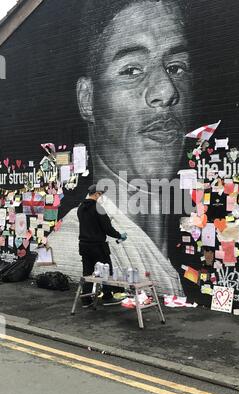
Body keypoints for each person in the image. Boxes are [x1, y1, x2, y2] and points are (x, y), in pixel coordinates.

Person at [36, 0, 193, 298]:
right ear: (87, 99)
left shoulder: (177, 249)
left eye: (176, 67)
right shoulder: (67, 249)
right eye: (132, 70)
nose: (166, 91)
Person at [77, 184, 128, 307]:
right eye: (100, 194)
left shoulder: (80, 208)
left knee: (87, 273)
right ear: (96, 194)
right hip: (98, 246)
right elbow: (107, 228)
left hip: (84, 245)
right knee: (106, 271)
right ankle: (107, 296)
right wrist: (119, 235)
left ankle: (86, 299)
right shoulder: (98, 208)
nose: (101, 197)